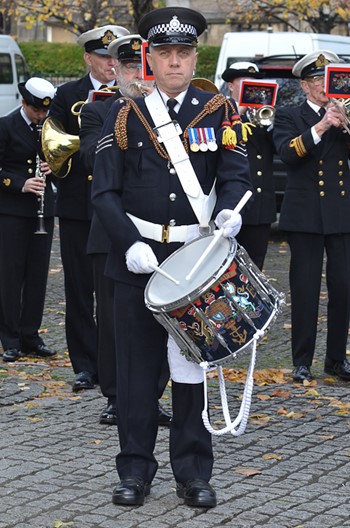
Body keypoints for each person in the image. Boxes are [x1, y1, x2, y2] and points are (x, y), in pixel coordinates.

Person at [91, 6, 252, 508]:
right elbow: (103, 192)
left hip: (195, 263)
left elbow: (235, 177)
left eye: (184, 53)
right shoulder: (122, 113)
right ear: (150, 58)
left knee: (190, 372)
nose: (175, 63)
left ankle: (193, 471)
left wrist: (229, 215)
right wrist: (129, 243)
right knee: (136, 374)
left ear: (194, 56)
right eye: (165, 54)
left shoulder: (218, 110)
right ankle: (134, 471)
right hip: (136, 261)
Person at [79, 34, 171, 427]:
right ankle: (116, 395)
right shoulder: (101, 111)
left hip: (160, 235)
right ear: (115, 70)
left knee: (164, 319)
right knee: (115, 320)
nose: (139, 74)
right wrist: (127, 112)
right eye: (132, 67)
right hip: (113, 232)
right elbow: (88, 158)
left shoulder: (166, 111)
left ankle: (152, 394)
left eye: (144, 67)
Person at [47, 25, 130, 391]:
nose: (111, 64)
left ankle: (115, 363)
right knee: (79, 288)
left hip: (117, 205)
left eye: (116, 57)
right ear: (87, 58)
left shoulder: (133, 94)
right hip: (78, 203)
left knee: (113, 289)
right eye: (103, 57)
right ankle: (84, 364)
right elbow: (53, 148)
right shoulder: (67, 95)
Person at [273, 50, 350, 383]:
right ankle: (302, 361)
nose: (324, 86)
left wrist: (345, 124)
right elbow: (288, 154)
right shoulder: (289, 114)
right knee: (304, 290)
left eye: (330, 79)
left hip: (340, 214)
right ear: (305, 85)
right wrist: (321, 126)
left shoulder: (346, 114)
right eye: (318, 80)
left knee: (343, 288)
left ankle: (336, 360)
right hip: (304, 215)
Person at [0, 77, 57, 362]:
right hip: (12, 212)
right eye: (36, 110)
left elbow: (63, 164)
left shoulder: (50, 127)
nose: (41, 115)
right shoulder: (6, 126)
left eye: (45, 110)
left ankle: (30, 335)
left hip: (43, 212)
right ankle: (9, 338)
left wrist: (54, 167)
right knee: (11, 276)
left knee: (37, 276)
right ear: (24, 103)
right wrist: (19, 183)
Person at [222, 62, 276, 270]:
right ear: (231, 87)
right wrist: (238, 112)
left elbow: (280, 150)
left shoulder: (262, 115)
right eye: (245, 84)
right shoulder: (220, 111)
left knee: (255, 265)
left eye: (254, 86)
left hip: (259, 203)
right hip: (230, 204)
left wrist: (269, 123)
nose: (250, 90)